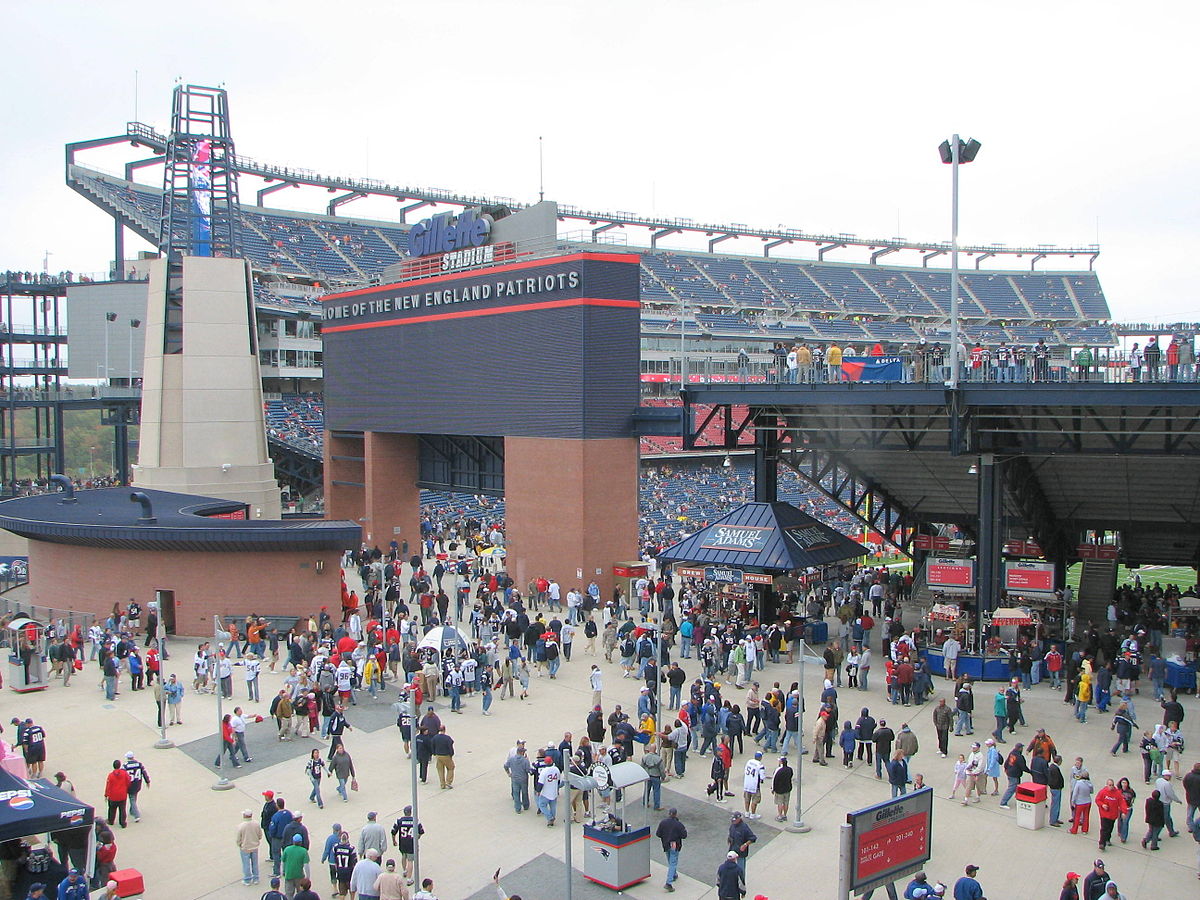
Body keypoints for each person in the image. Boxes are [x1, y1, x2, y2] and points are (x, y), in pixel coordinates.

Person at [655, 808, 687, 893]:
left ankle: (674, 874)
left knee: (670, 861)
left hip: (666, 844)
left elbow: (658, 834)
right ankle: (669, 882)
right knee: (673, 862)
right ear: (676, 814)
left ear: (669, 813)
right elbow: (684, 835)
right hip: (674, 845)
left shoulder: (663, 823)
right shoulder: (678, 824)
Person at [390, 806, 422, 884]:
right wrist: (417, 837)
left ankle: (404, 871)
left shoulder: (399, 821)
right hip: (411, 843)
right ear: (410, 812)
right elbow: (421, 831)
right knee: (410, 860)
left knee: (404, 856)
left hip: (403, 842)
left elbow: (393, 831)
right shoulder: (415, 821)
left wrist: (394, 841)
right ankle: (409, 878)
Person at [1095, 778, 1127, 851]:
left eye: (1112, 785)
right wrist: (1102, 805)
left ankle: (1107, 839)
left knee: (1109, 828)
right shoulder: (1103, 792)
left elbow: (1122, 803)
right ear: (1107, 785)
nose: (1111, 787)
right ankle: (1102, 843)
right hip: (1104, 814)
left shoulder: (1117, 793)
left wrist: (1124, 812)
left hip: (1113, 815)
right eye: (1109, 785)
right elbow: (1097, 800)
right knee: (1104, 829)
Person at [236, 808, 263, 886]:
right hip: (254, 847)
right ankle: (256, 878)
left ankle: (247, 879)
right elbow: (260, 835)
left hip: (245, 848)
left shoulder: (241, 826)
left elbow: (238, 838)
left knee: (246, 864)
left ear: (244, 815)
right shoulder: (256, 824)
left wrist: (239, 844)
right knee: (255, 863)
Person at [726, 811, 757, 878]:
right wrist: (729, 838)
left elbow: (753, 838)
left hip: (741, 852)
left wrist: (745, 845)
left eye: (734, 820)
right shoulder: (732, 825)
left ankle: (741, 883)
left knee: (741, 869)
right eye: (732, 820)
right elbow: (730, 832)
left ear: (739, 819)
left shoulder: (744, 827)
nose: (733, 821)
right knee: (730, 867)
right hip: (732, 849)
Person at [121, 752, 150, 823]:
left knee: (132, 799)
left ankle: (136, 815)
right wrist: (147, 781)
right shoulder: (139, 764)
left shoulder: (125, 766)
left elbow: (122, 776)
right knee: (134, 797)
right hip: (137, 784)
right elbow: (144, 773)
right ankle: (132, 810)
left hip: (129, 785)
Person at [280, 833, 310, 898]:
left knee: (289, 894)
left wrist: (282, 871)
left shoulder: (287, 849)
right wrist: (308, 877)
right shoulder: (303, 851)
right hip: (299, 876)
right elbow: (306, 865)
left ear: (293, 841)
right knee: (301, 893)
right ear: (301, 842)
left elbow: (283, 862)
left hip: (289, 875)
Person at [103, 760, 130, 829]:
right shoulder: (124, 773)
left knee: (112, 809)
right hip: (122, 795)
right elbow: (128, 781)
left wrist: (106, 794)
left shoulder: (111, 775)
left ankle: (111, 820)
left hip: (113, 796)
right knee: (122, 809)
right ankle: (123, 823)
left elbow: (108, 786)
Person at [742, 751, 766, 819]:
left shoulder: (749, 761)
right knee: (754, 800)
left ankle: (747, 812)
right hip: (754, 785)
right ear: (760, 757)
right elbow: (762, 777)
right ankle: (753, 814)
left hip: (747, 783)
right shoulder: (760, 765)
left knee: (747, 799)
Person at [772, 756, 793, 822]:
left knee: (780, 803)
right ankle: (785, 815)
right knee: (786, 803)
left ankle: (780, 816)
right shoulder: (790, 769)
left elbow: (775, 780)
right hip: (787, 789)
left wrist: (773, 789)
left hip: (779, 790)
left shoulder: (778, 771)